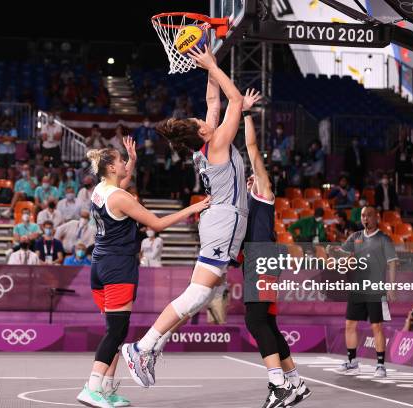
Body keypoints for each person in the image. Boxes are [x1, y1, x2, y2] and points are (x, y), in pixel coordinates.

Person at [121, 45, 248, 390]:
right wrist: (212, 66)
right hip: (223, 224)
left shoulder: (205, 145)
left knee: (206, 295)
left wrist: (212, 64)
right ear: (203, 132)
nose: (202, 118)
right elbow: (232, 102)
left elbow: (213, 102)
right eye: (199, 122)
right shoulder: (217, 143)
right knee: (195, 295)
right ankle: (141, 346)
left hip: (218, 221)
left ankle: (152, 347)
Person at [75, 146, 209, 408]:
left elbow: (120, 187)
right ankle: (91, 388)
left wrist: (132, 162)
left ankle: (106, 388)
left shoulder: (101, 189)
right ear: (111, 167)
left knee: (116, 330)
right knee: (116, 332)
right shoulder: (121, 197)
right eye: (121, 161)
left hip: (100, 266)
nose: (125, 163)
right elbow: (157, 224)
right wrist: (196, 207)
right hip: (118, 267)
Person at [242, 89, 311, 407]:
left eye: (250, 178)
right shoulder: (247, 207)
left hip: (264, 258)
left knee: (256, 322)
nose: (247, 181)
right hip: (260, 259)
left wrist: (245, 114)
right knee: (266, 322)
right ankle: (296, 383)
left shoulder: (264, 192)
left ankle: (278, 385)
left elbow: (252, 148)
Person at [329, 206, 397, 378]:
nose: (365, 218)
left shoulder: (384, 239)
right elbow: (342, 258)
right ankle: (352, 362)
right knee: (350, 325)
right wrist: (336, 256)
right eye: (363, 216)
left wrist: (392, 286)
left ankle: (380, 365)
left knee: (377, 327)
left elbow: (392, 263)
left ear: (377, 217)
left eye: (369, 215)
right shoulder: (355, 237)